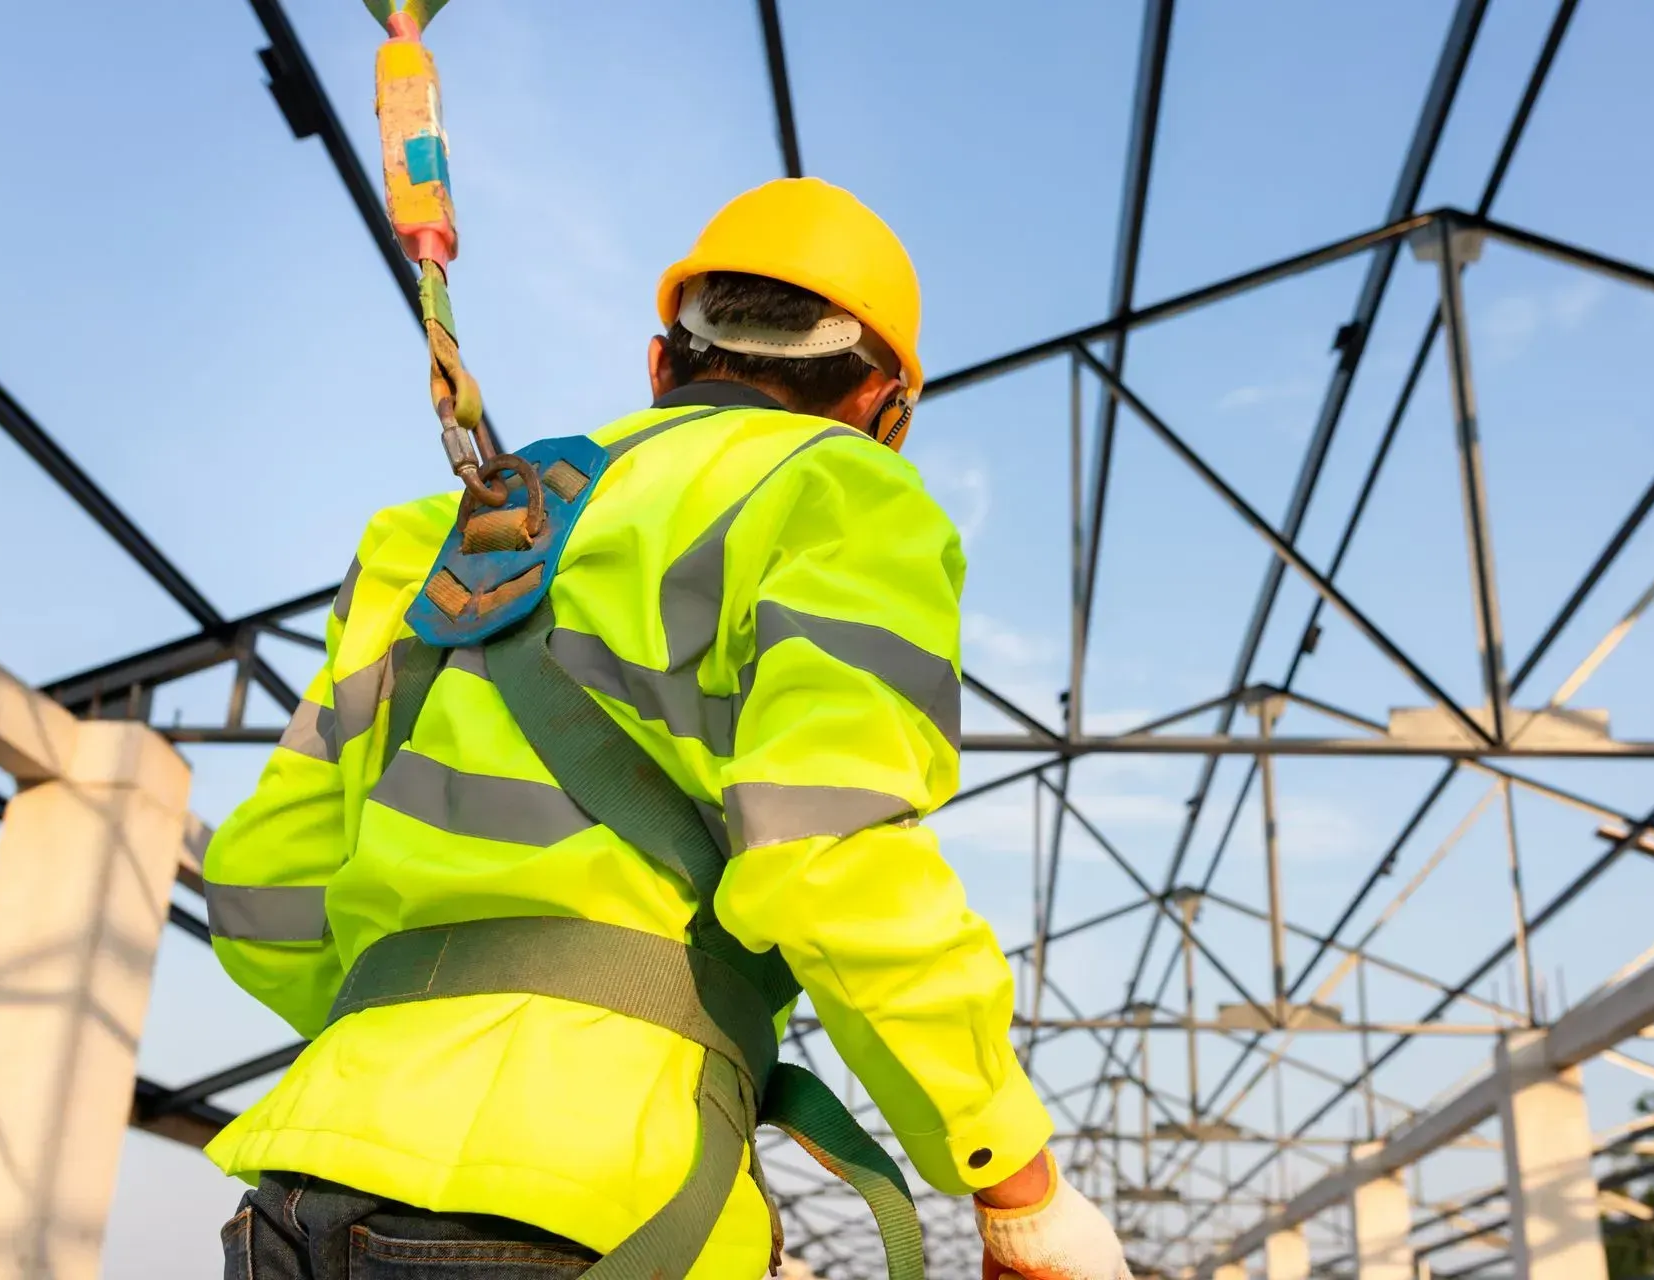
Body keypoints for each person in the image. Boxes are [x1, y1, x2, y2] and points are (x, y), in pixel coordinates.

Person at [200, 177, 1132, 1280]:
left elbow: (262, 889)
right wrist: (1018, 1188)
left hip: (303, 1186)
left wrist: (416, 1039)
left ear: (659, 364)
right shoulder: (840, 491)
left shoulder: (434, 539)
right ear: (886, 411)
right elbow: (831, 853)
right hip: (599, 1204)